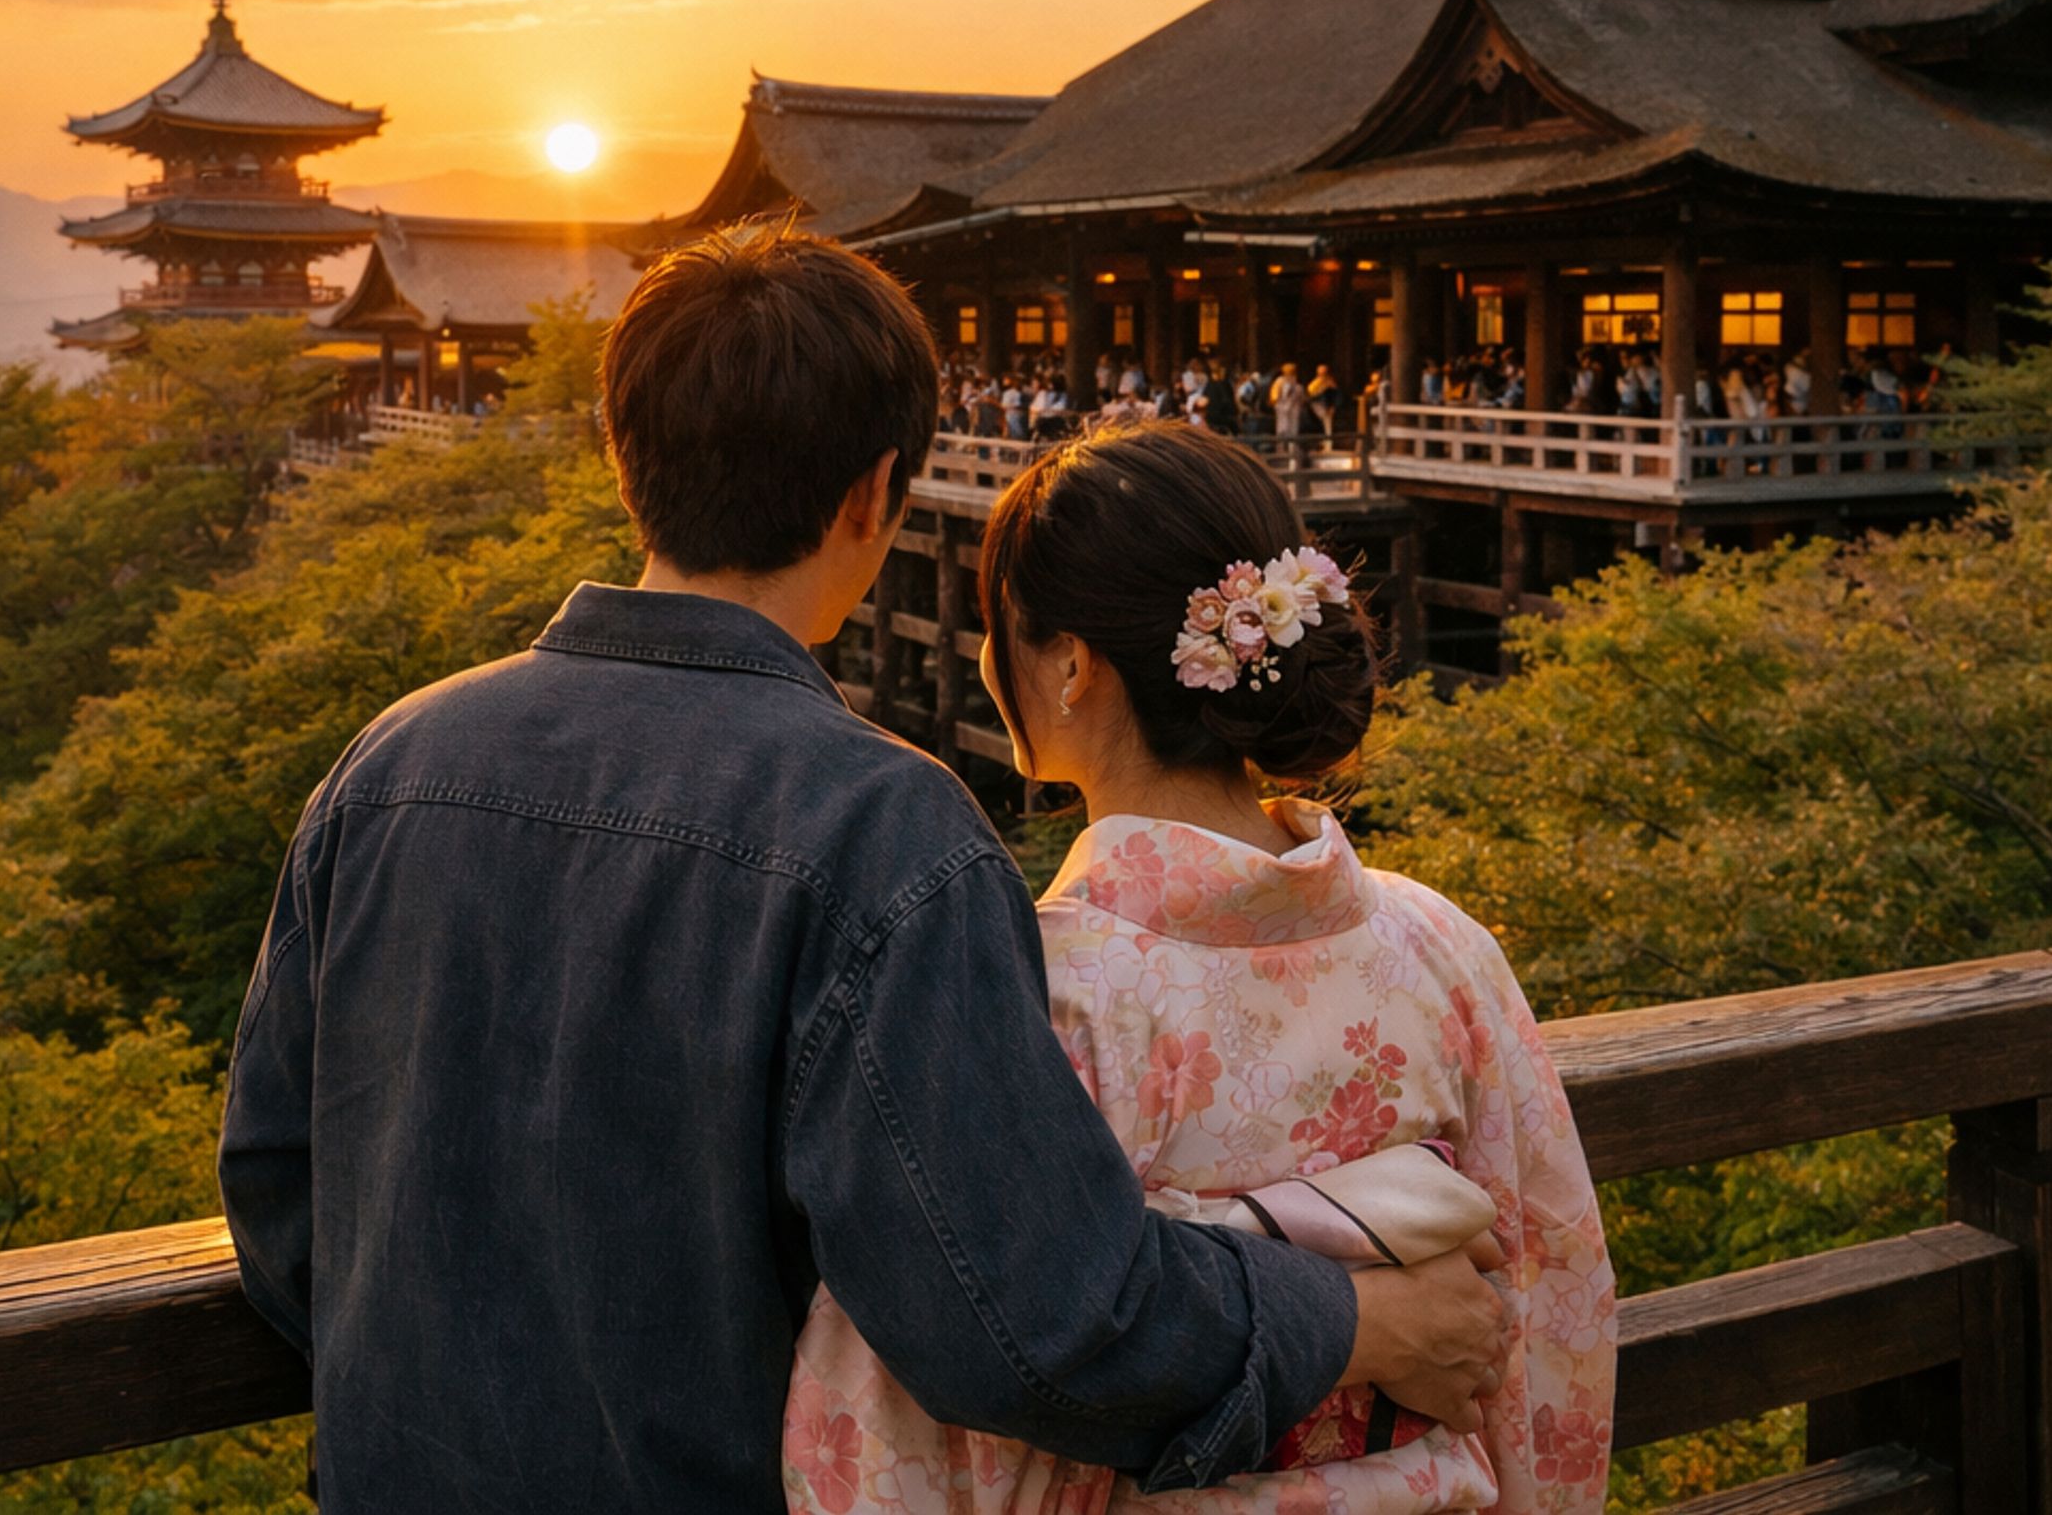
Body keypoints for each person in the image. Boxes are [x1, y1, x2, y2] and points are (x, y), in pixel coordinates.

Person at [219, 228, 1508, 1511]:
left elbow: (280, 1196)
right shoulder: (883, 832)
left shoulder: (389, 768)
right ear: (874, 494)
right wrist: (1347, 1322)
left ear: (627, 464)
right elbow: (1031, 1319)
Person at [785, 426, 1613, 1513]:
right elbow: (1551, 1317)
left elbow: (902, 1423)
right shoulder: (1440, 948)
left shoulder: (1042, 993)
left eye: (998, 633)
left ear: (1072, 666)